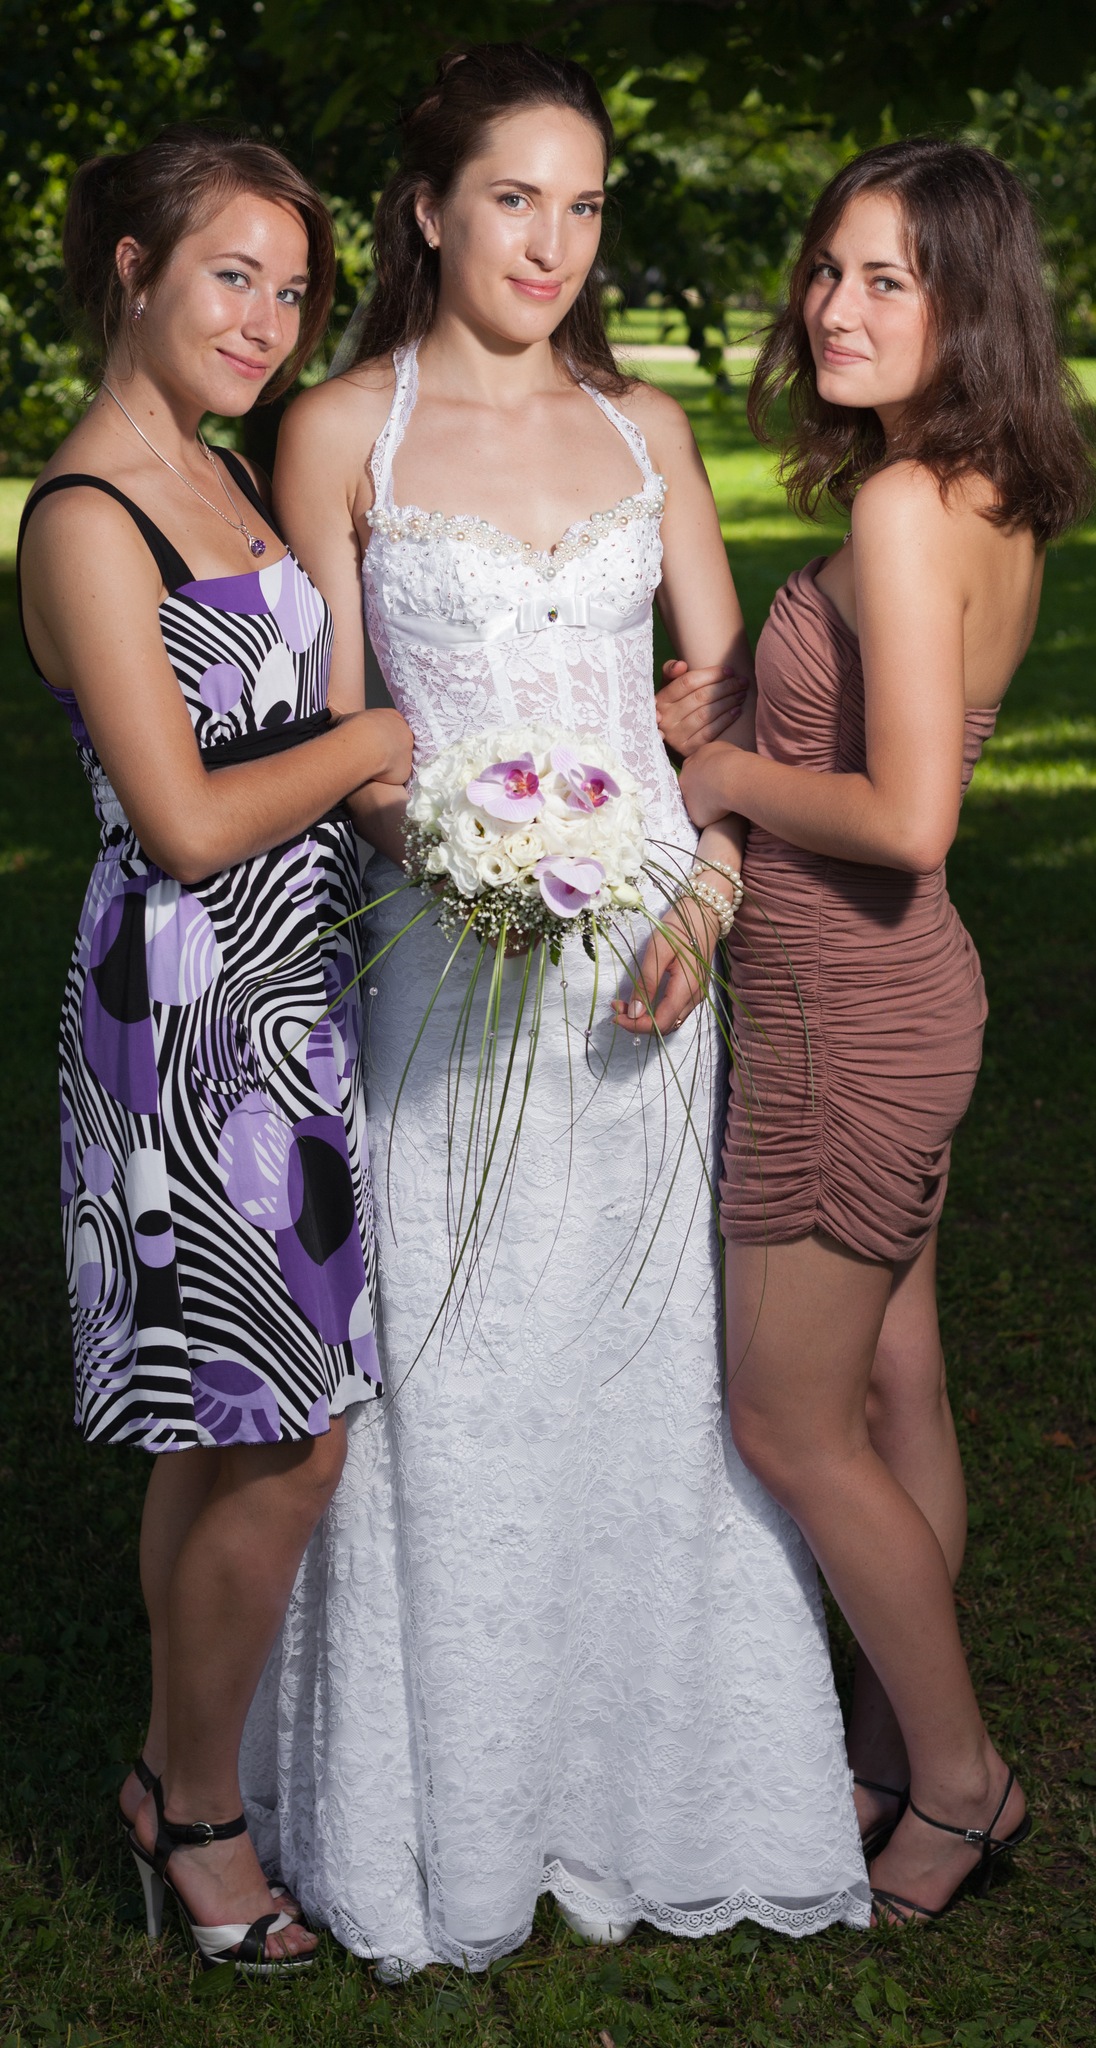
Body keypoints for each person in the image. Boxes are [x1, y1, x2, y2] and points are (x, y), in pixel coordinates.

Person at [240, 44, 869, 1976]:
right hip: (443, 961)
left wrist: (708, 891)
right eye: (516, 198)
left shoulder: (645, 427)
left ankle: (662, 1786)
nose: (554, 242)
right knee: (455, 1363)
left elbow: (727, 704)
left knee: (642, 1362)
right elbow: (344, 730)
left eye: (584, 205)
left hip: (649, 966)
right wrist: (458, 854)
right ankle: (445, 1801)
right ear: (431, 208)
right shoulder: (339, 429)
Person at [669, 138, 1092, 1924]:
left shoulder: (907, 506)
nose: (835, 307)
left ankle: (965, 1783)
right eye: (829, 269)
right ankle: (881, 1753)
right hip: (901, 996)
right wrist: (746, 708)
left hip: (846, 1014)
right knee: (897, 1383)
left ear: (966, 303)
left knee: (789, 1420)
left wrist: (724, 769)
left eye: (887, 281)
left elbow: (909, 815)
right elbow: (887, 728)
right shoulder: (985, 489)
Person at [16, 125, 413, 1975]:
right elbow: (179, 819)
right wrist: (379, 742)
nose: (267, 316)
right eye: (230, 275)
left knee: (222, 1432)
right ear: (134, 271)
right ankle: (198, 1812)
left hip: (289, 1000)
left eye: (292, 287)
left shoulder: (227, 466)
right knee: (292, 1439)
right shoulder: (89, 516)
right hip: (186, 1017)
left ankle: (168, 1780)